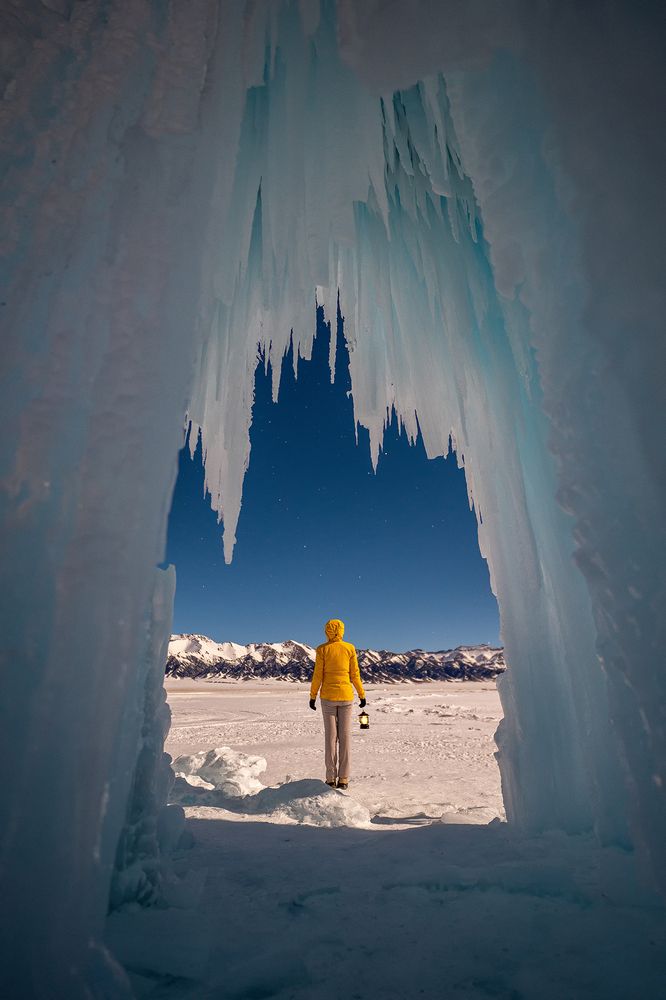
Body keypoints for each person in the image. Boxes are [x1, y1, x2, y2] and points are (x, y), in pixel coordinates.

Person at [308, 618, 366, 790]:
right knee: (345, 737)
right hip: (346, 697)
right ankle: (344, 779)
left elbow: (317, 675)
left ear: (327, 631)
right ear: (342, 630)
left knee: (331, 738)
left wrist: (312, 696)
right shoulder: (349, 648)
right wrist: (361, 694)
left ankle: (330, 778)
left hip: (327, 698)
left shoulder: (322, 649)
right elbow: (355, 674)